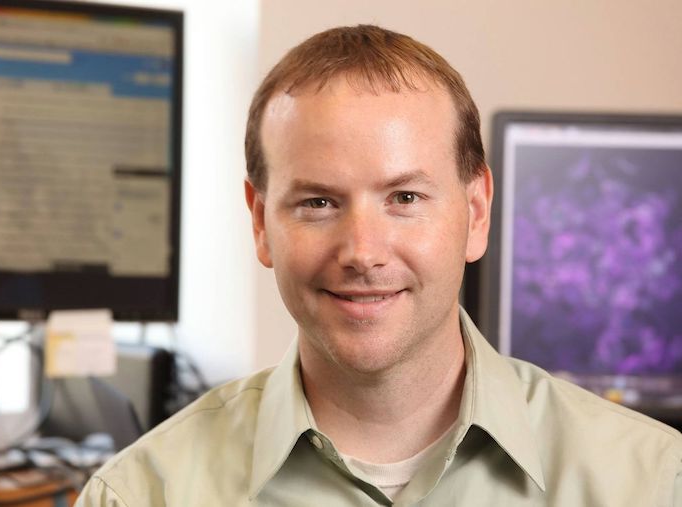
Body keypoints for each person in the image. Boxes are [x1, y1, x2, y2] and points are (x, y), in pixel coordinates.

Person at [76, 25, 682, 506]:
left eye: (405, 199)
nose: (363, 252)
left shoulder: (651, 482)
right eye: (318, 203)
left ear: (477, 213)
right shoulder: (140, 495)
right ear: (260, 223)